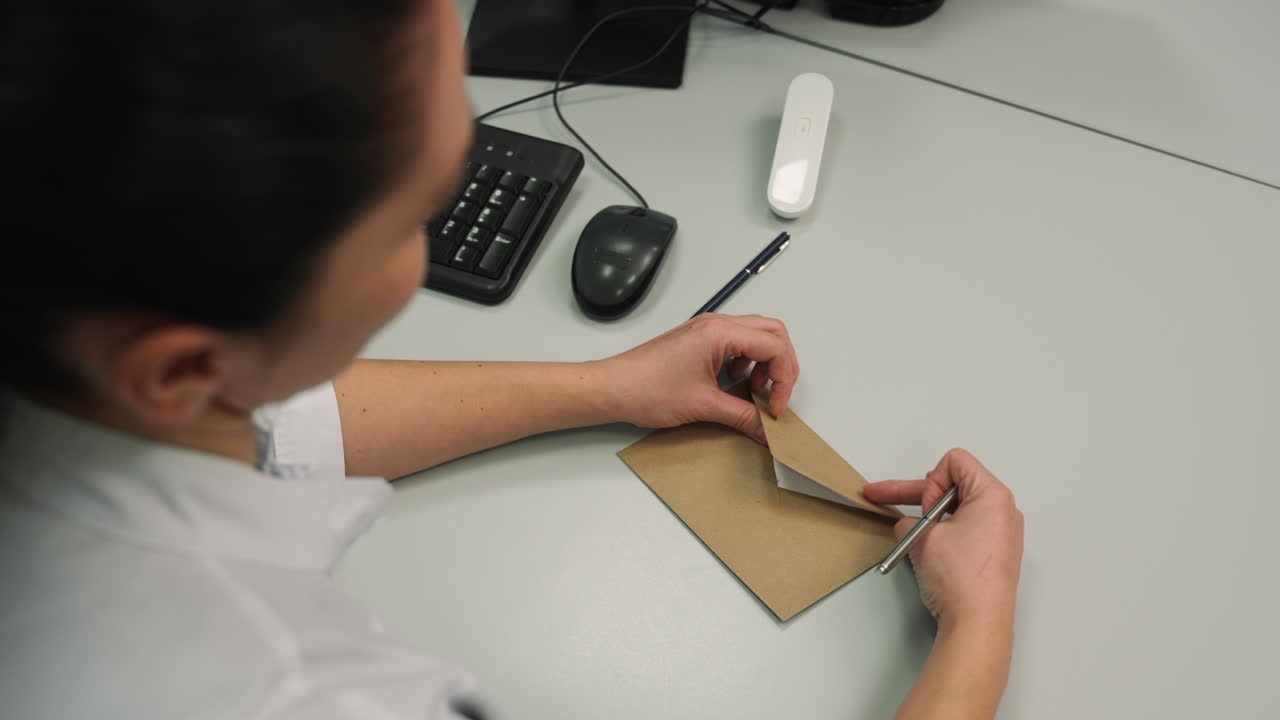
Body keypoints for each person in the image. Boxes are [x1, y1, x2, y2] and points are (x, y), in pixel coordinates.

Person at [0, 1, 1024, 718]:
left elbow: (271, 420)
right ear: (177, 367)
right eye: (417, 216)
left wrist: (602, 386)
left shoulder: (64, 348)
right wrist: (976, 626)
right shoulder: (298, 693)